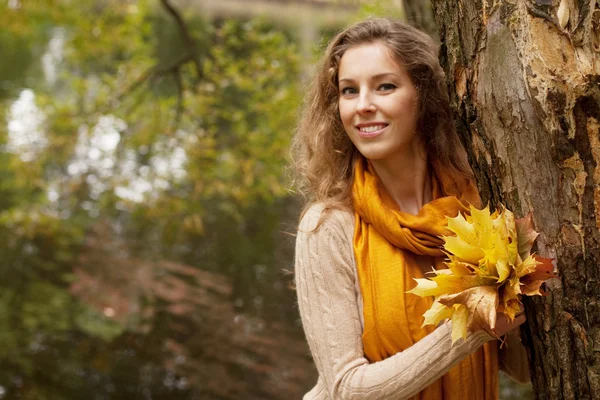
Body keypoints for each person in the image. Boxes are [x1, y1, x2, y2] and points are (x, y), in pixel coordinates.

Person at [291, 18, 530, 400]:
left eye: (384, 86)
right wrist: (471, 326)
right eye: (349, 91)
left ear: (423, 96)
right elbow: (346, 390)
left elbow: (522, 369)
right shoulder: (327, 227)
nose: (363, 106)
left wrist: (519, 282)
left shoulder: (476, 213)